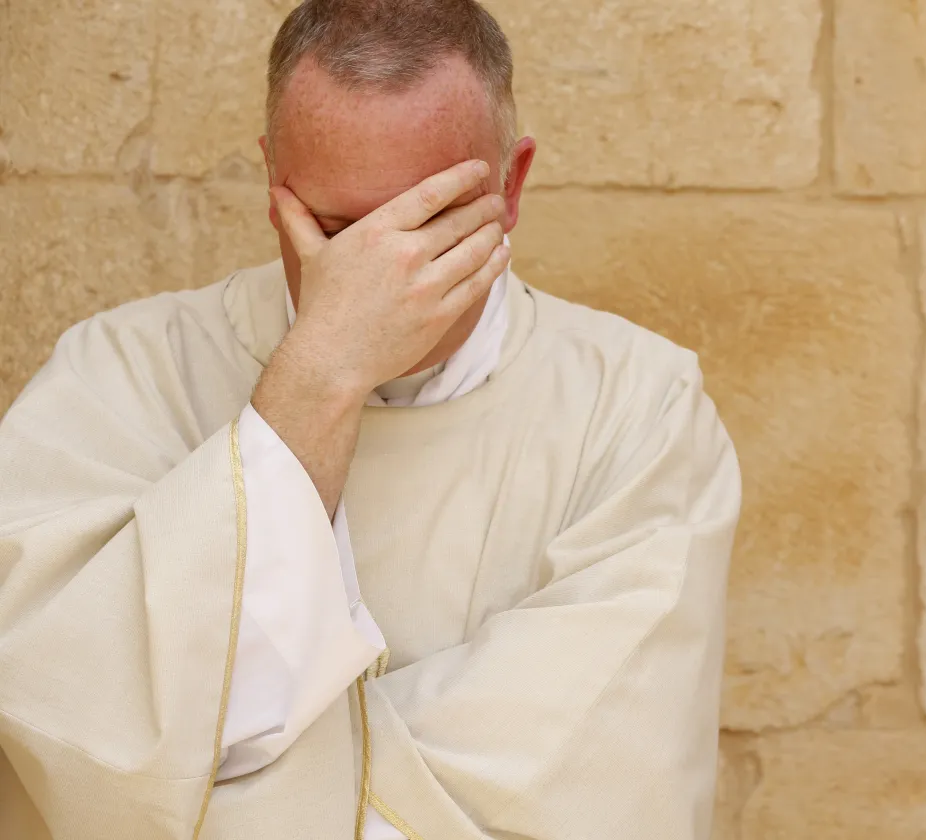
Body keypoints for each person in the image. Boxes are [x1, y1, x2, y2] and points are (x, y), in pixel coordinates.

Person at [0, 0, 741, 838]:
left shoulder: (639, 409)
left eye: (423, 223)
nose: (378, 276)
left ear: (512, 187)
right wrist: (322, 371)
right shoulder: (117, 375)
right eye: (335, 230)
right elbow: (65, 727)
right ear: (271, 181)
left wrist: (222, 779)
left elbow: (589, 780)